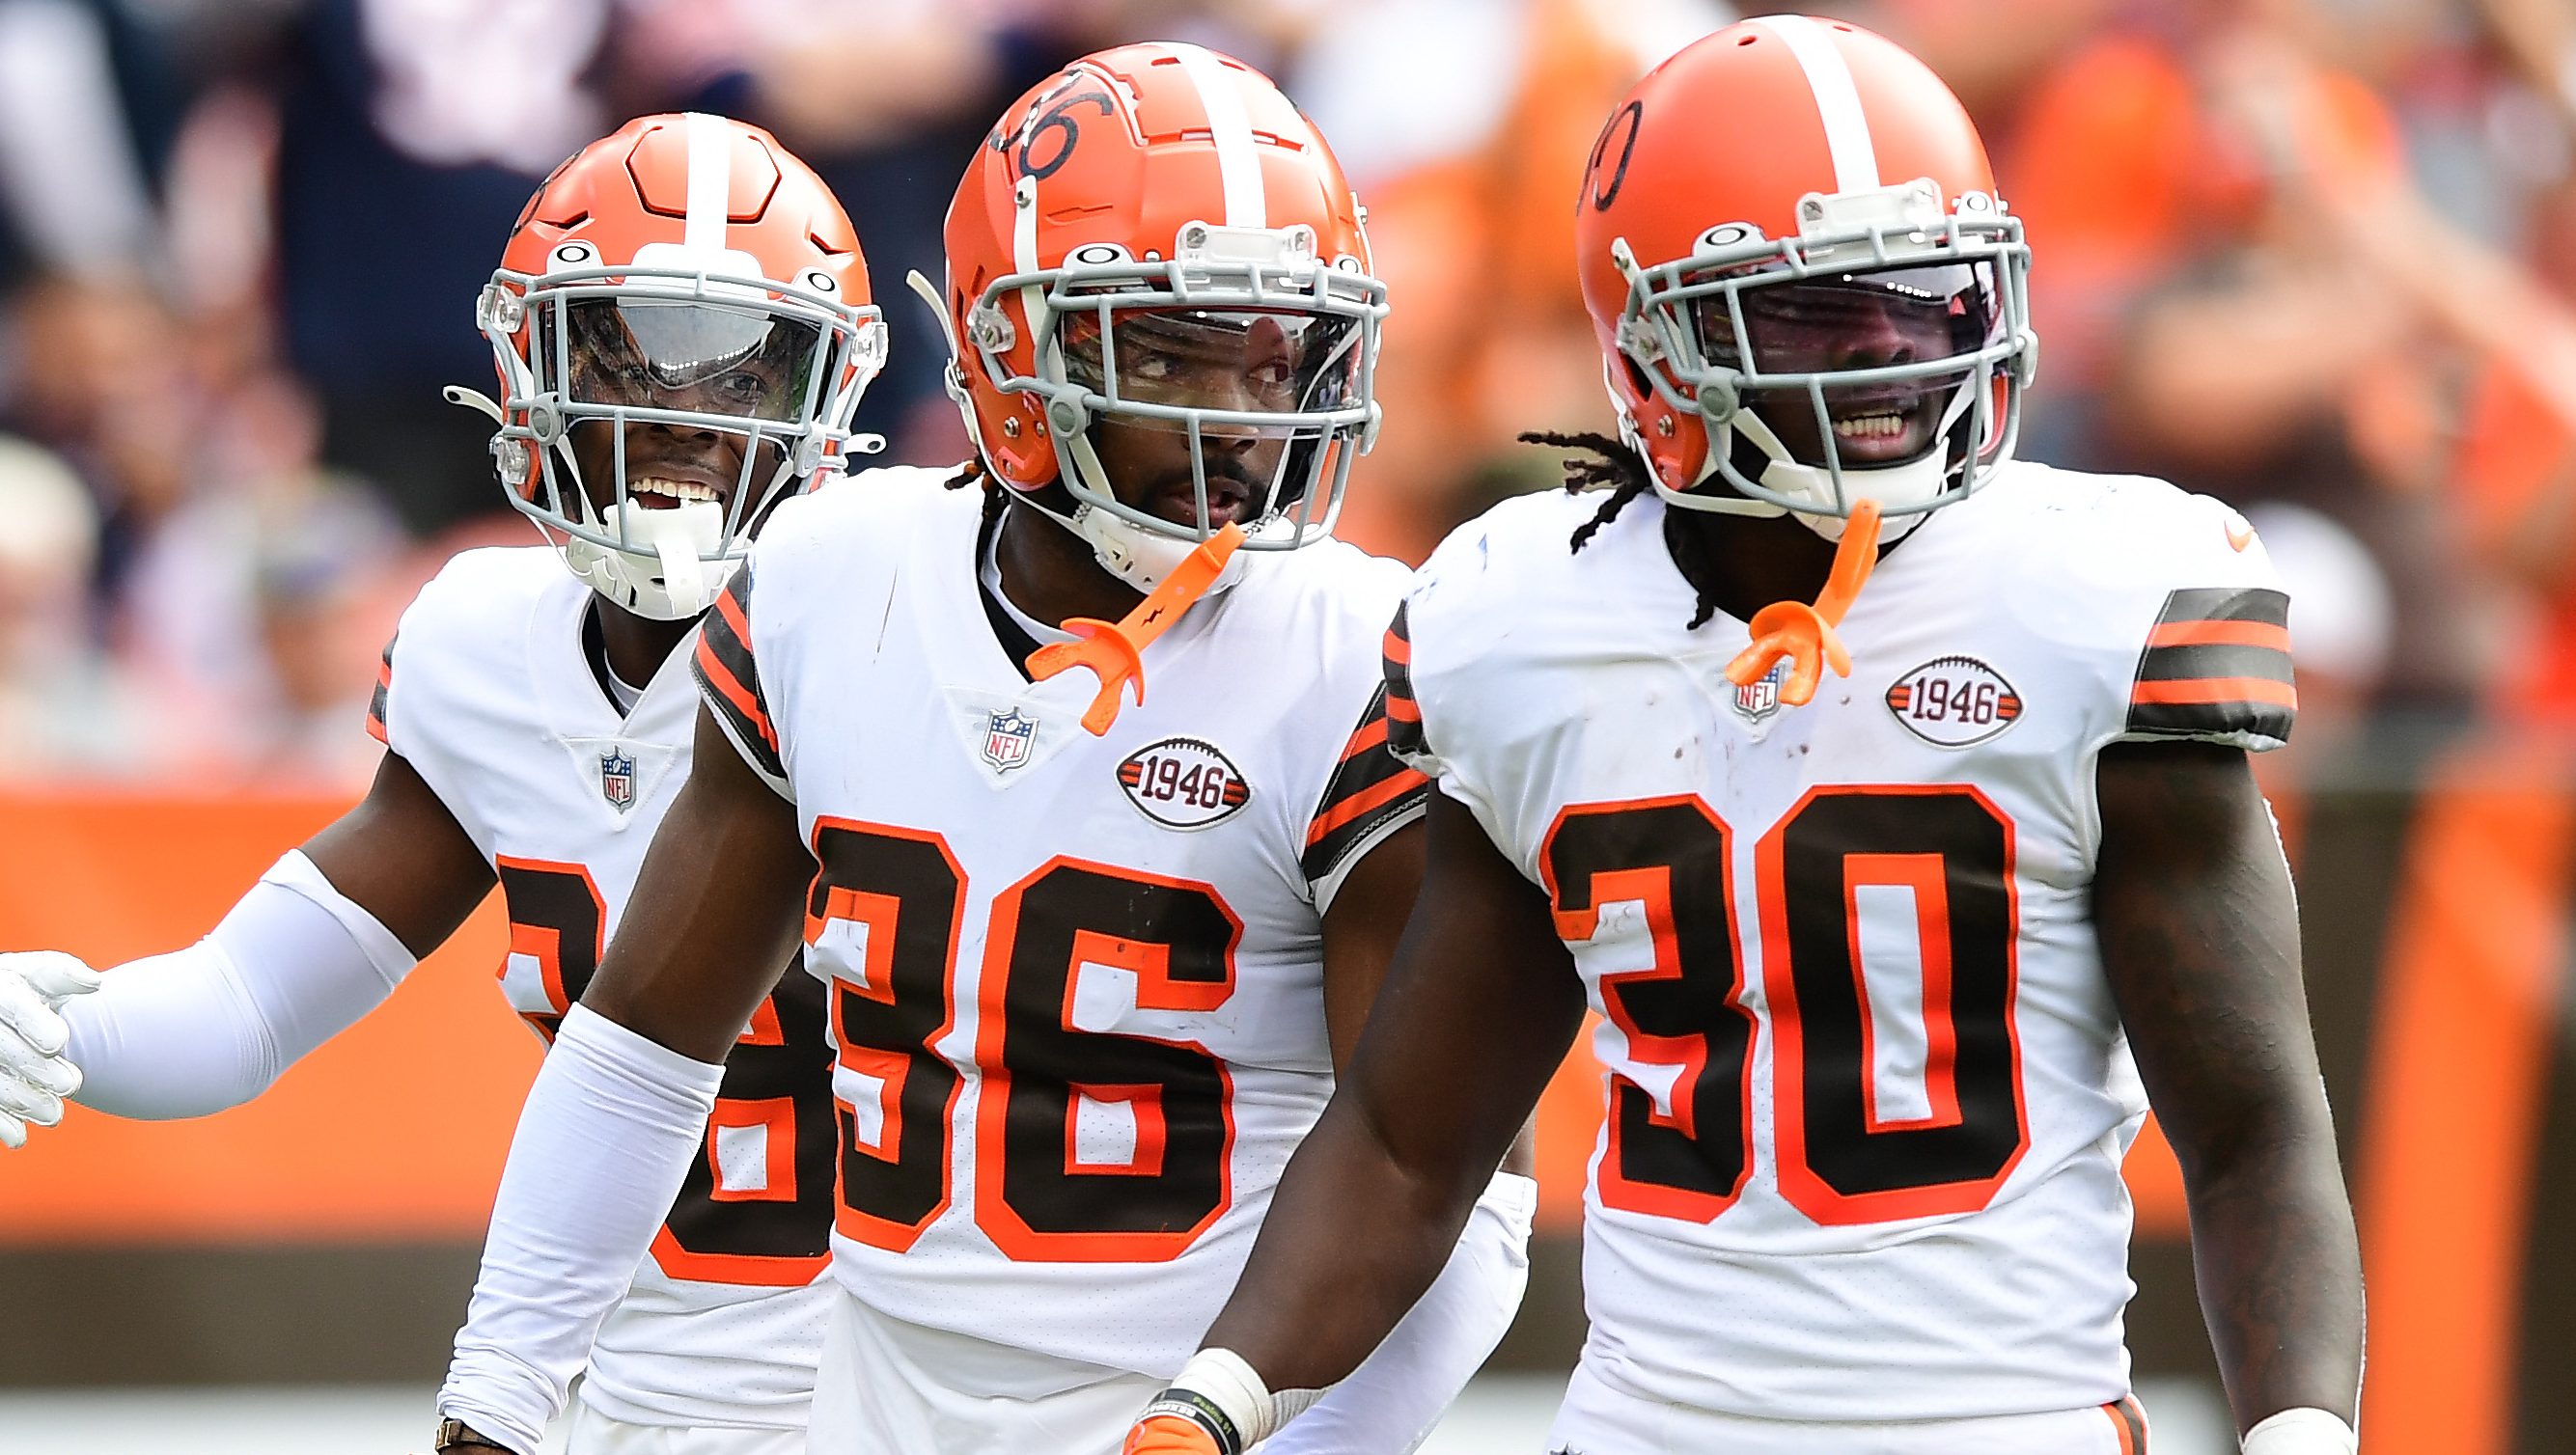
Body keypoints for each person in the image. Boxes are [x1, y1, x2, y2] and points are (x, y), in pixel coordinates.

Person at [1124, 16, 2366, 1455]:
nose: (1890, 357)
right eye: (1816, 318)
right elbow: (1413, 1142)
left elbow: (2252, 1132)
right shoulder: (1525, 620)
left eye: (1923, 302)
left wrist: (2298, 1435)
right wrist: (1209, 1403)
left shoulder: (2092, 597)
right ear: (1650, 345)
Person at [428, 41, 1535, 1455]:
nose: (1243, 424)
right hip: (866, 1408)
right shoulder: (831, 577)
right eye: (1174, 351)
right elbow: (644, 1045)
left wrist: (1249, 1438)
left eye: (1278, 356)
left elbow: (1450, 1180)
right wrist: (502, 1391)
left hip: (1215, 1408)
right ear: (1011, 349)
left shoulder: (1368, 657)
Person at [0, 112, 886, 1454]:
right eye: (622, 356)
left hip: (915, 1382)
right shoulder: (487, 643)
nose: (677, 418)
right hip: (636, 1394)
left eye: (742, 378)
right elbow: (248, 1000)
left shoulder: (909, 633)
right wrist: (59, 1027)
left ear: (824, 401)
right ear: (528, 368)